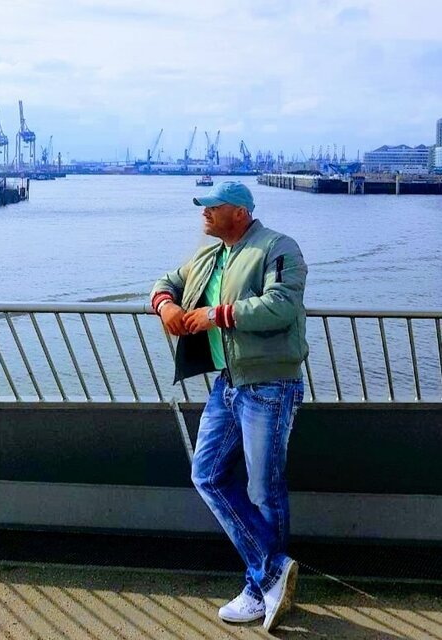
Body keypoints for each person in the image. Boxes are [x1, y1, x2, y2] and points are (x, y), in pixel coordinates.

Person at [151, 181, 308, 632]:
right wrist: (166, 307)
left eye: (212, 207)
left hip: (270, 383)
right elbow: (166, 282)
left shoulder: (277, 247)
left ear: (239, 212)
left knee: (264, 489)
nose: (204, 213)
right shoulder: (208, 256)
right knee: (206, 473)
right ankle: (272, 573)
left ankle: (260, 589)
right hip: (228, 382)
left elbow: (281, 306)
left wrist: (214, 315)